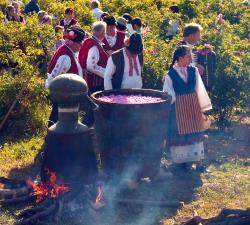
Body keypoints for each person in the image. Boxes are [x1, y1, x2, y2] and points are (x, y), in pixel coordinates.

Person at [163, 45, 212, 171]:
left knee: (195, 131)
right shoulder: (170, 74)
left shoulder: (193, 71)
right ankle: (181, 162)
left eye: (191, 56)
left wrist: (202, 106)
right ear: (179, 58)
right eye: (188, 56)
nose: (190, 59)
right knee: (180, 132)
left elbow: (199, 89)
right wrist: (177, 103)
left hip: (193, 106)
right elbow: (168, 94)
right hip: (178, 108)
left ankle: (196, 160)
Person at [46, 26, 85, 127]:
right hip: (62, 95)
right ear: (74, 43)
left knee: (65, 120)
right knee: (57, 117)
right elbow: (55, 77)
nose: (82, 45)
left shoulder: (69, 50)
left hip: (67, 94)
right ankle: (51, 137)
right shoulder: (65, 56)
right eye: (81, 43)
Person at [78, 21, 108, 93]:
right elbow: (91, 66)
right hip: (94, 82)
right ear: (102, 32)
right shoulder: (94, 45)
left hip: (88, 79)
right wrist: (106, 74)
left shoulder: (88, 41)